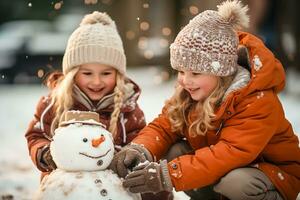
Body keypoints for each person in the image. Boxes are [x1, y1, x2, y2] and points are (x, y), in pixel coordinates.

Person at [109, 1, 300, 200]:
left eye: (196, 72)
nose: (185, 80)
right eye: (181, 71)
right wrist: (141, 149)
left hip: (271, 174)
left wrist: (169, 175)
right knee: (175, 151)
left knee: (235, 183)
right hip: (228, 169)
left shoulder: (256, 100)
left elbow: (230, 152)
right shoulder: (191, 93)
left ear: (221, 72)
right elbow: (165, 126)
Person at [25, 11, 146, 179]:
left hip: (112, 184)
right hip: (66, 182)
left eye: (106, 73)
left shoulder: (128, 107)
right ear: (73, 74)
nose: (96, 82)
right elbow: (36, 135)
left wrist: (126, 157)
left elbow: (139, 141)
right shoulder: (53, 103)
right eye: (87, 73)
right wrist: (45, 152)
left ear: (118, 75)